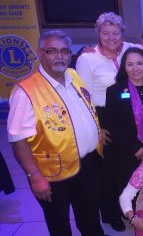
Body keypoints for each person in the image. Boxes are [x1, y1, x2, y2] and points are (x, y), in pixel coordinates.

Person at [7, 30, 105, 236]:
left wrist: (95, 132)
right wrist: (34, 176)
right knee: (59, 224)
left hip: (87, 164)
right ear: (40, 53)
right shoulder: (26, 90)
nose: (59, 56)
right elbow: (18, 140)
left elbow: (83, 111)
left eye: (64, 51)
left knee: (90, 219)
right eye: (52, 51)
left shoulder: (73, 75)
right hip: (51, 172)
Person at [75, 11, 135, 230]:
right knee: (107, 170)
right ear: (98, 34)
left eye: (115, 33)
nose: (111, 37)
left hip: (129, 112)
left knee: (128, 166)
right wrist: (97, 128)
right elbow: (83, 97)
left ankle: (127, 207)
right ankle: (111, 214)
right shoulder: (87, 58)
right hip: (103, 116)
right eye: (106, 33)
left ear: (122, 33)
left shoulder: (130, 49)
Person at [104, 47, 143, 226]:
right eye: (130, 64)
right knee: (127, 183)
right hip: (125, 149)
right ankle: (127, 213)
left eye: (139, 63)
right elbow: (113, 125)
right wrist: (136, 148)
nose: (135, 68)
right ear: (124, 67)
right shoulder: (115, 90)